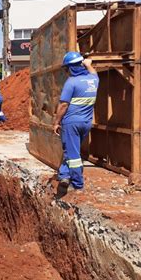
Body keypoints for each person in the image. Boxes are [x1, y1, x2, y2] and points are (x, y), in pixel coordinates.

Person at [53, 52, 98, 195]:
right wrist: (88, 64)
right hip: (86, 122)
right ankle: (64, 176)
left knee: (73, 156)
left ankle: (78, 184)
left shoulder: (71, 82)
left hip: (71, 123)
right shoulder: (93, 80)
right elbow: (93, 72)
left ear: (70, 68)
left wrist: (56, 122)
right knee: (71, 149)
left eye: (67, 68)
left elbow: (63, 105)